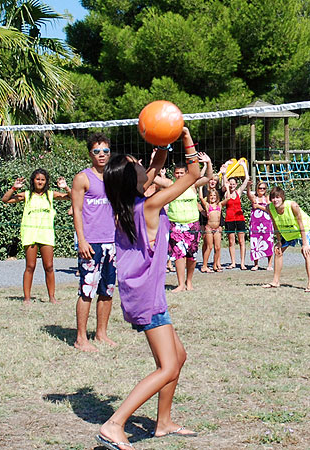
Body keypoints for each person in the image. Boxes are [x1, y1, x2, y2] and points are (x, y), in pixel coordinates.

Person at [95, 129, 203, 450]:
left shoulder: (128, 203)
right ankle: (114, 424)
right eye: (135, 162)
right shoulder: (149, 206)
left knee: (178, 356)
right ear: (135, 179)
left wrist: (162, 141)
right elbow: (195, 173)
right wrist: (184, 135)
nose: (143, 162)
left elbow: (156, 162)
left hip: (141, 292)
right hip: (147, 297)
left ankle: (164, 423)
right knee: (167, 366)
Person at [70, 133, 118, 352]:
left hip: (111, 242)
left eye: (105, 151)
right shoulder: (82, 178)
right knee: (87, 290)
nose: (102, 155)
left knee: (107, 289)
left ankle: (101, 334)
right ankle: (81, 338)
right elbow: (77, 211)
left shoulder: (113, 176)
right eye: (97, 151)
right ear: (90, 153)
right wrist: (81, 240)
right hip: (91, 243)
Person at [1, 169, 71, 304]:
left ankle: (52, 297)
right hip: (30, 235)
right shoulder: (27, 195)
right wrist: (14, 187)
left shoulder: (50, 195)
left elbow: (73, 197)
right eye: (38, 179)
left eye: (43, 179)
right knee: (30, 266)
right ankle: (27, 298)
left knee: (49, 266)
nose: (40, 182)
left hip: (46, 234)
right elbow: (5, 199)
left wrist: (65, 187)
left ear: (46, 182)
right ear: (33, 180)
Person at [165, 156, 213, 291]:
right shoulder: (170, 184)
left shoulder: (192, 184)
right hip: (176, 224)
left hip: (192, 224)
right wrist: (153, 161)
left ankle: (189, 281)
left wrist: (208, 163)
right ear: (174, 174)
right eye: (177, 173)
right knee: (178, 254)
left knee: (192, 255)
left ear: (186, 173)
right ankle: (180, 284)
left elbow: (208, 177)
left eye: (182, 173)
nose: (179, 175)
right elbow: (154, 179)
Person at [262, 186, 310, 292]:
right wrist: (278, 241)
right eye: (273, 198)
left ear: (282, 197)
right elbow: (275, 224)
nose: (275, 200)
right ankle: (275, 281)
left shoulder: (293, 206)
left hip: (303, 229)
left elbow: (300, 223)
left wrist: (305, 244)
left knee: (305, 252)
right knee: (278, 251)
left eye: (277, 197)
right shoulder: (269, 208)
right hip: (287, 231)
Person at [223, 166, 250, 269]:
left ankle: (242, 263)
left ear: (236, 184)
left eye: (234, 183)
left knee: (242, 241)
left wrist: (244, 166)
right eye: (230, 183)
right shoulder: (226, 193)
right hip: (229, 219)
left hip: (240, 219)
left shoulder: (238, 192)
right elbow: (224, 183)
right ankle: (233, 262)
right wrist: (224, 173)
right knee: (231, 241)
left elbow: (246, 179)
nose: (232, 185)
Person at [247, 180, 275, 271]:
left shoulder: (267, 198)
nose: (262, 190)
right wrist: (248, 186)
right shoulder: (254, 198)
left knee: (268, 242)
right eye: (260, 188)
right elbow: (248, 195)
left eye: (264, 188)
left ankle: (269, 264)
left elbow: (269, 209)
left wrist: (258, 206)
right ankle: (256, 264)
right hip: (256, 223)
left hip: (266, 223)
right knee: (255, 243)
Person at [200, 187, 225, 272]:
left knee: (217, 247)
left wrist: (227, 188)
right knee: (209, 247)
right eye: (211, 195)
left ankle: (215, 265)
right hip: (209, 228)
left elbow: (228, 198)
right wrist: (200, 187)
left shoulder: (219, 205)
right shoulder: (207, 205)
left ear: (217, 197)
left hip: (217, 228)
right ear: (208, 196)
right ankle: (204, 265)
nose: (213, 197)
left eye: (214, 195)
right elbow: (200, 198)